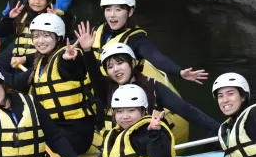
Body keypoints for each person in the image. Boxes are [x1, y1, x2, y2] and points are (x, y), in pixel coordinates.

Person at [76, 27, 219, 136]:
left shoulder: (152, 87)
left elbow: (185, 109)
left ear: (132, 63)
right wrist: (87, 50)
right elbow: (94, 75)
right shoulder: (106, 89)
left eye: (120, 63)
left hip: (148, 147)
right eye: (110, 66)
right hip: (117, 152)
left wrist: (218, 128)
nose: (116, 70)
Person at [3, 13, 97, 155]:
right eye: (36, 36)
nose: (40, 41)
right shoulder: (41, 61)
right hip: (56, 128)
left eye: (46, 36)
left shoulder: (64, 57)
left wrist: (70, 60)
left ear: (58, 37)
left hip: (76, 134)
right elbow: (15, 83)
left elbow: (74, 70)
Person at [91, 0, 207, 86]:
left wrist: (179, 72)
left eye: (118, 10)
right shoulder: (97, 30)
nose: (112, 15)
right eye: (108, 10)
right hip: (96, 85)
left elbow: (156, 57)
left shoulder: (136, 39)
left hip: (120, 89)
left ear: (130, 12)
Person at [0, 0, 70, 73]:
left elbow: (64, 39)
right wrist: (9, 18)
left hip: (40, 62)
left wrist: (56, 20)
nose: (37, 2)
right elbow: (2, 33)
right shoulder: (22, 15)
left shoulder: (53, 17)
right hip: (18, 61)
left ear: (49, 1)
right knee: (0, 67)